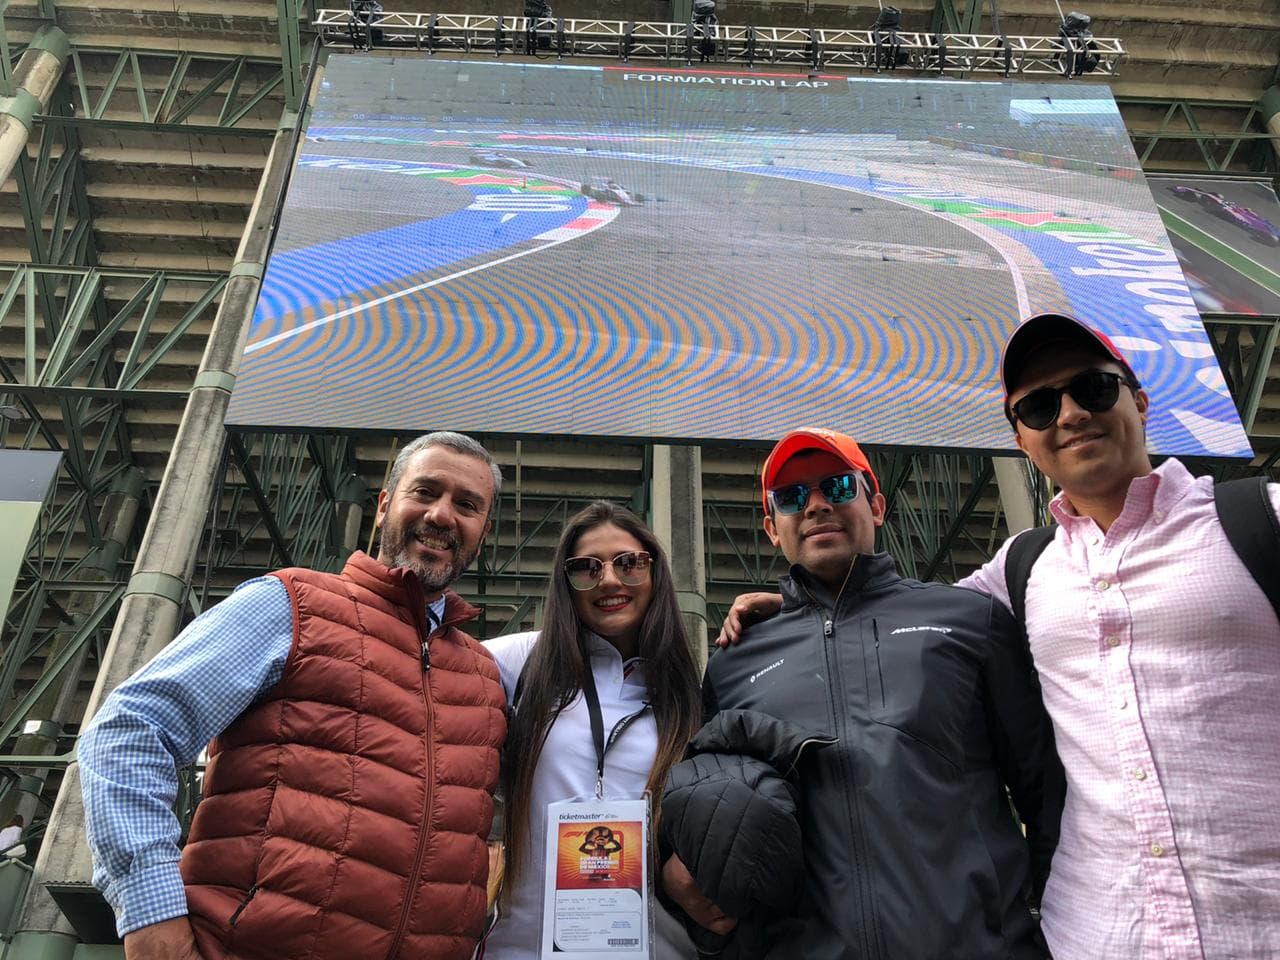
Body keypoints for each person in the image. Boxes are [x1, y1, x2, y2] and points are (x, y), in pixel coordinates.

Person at [718, 313, 1280, 958]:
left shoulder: (1260, 520)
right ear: (1023, 436)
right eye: (1040, 406)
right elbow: (879, 624)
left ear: (1141, 401)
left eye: (1092, 390)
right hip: (1104, 934)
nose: (1068, 415)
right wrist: (791, 610)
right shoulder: (1022, 572)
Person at [79, 432, 509, 960]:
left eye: (466, 505)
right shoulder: (291, 606)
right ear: (383, 507)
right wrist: (152, 923)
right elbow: (131, 729)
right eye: (425, 492)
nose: (442, 515)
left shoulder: (483, 677)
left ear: (481, 534)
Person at [665, 429, 1063, 959]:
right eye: (792, 498)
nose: (817, 505)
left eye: (837, 486)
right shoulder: (734, 661)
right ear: (771, 529)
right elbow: (712, 807)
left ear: (875, 505)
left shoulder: (970, 620)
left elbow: (1045, 797)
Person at [481, 501, 701, 958]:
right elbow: (416, 656)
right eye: (587, 567)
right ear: (567, 583)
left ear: (655, 572)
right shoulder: (521, 662)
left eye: (629, 563)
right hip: (524, 947)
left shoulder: (688, 694)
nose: (610, 580)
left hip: (656, 947)